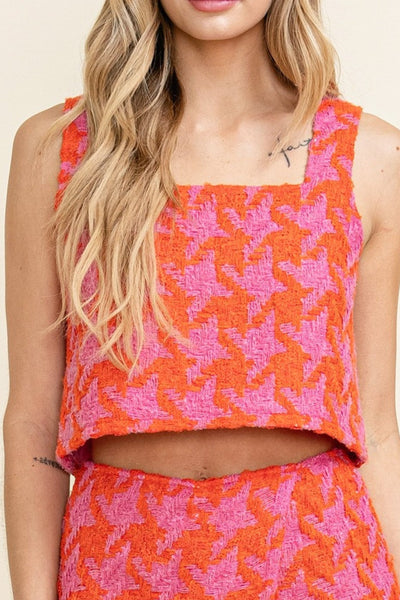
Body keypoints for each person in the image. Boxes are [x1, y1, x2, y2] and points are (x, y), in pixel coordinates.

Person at [4, 0, 400, 598]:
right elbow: (34, 422)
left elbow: (377, 430)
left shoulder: (369, 156)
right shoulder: (59, 151)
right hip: (117, 568)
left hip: (320, 566)